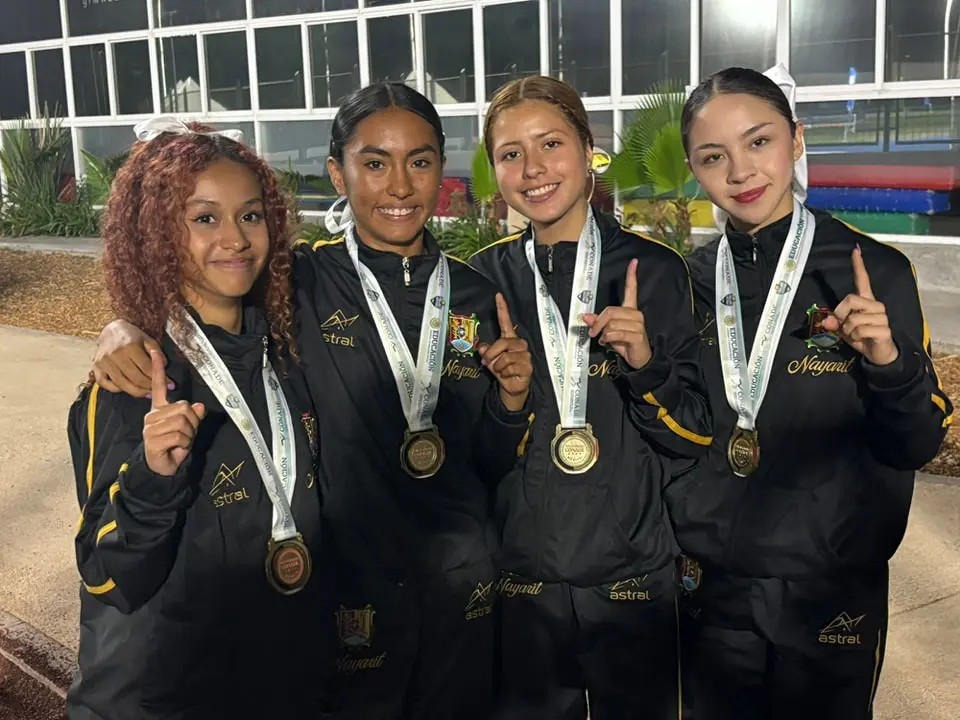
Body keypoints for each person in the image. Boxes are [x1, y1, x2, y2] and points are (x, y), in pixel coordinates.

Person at [91, 84, 534, 720]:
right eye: (375, 163)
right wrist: (125, 326)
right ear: (337, 172)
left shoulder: (476, 296)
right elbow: (202, 296)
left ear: (443, 167)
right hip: (346, 608)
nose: (400, 185)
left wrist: (509, 405)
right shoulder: (298, 281)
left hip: (460, 596)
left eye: (420, 161)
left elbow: (489, 463)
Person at [669, 65, 954, 720]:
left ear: (796, 140)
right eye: (714, 156)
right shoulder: (684, 283)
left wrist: (887, 363)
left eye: (759, 141)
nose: (740, 171)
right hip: (712, 589)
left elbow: (917, 442)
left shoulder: (874, 271)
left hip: (831, 593)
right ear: (694, 170)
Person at [67, 118, 329, 719]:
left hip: (273, 686)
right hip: (164, 700)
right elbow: (107, 577)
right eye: (205, 218)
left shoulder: (283, 358)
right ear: (158, 234)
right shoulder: (135, 382)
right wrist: (153, 479)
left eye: (251, 215)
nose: (235, 238)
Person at [469, 75, 713, 719]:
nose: (533, 168)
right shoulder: (478, 283)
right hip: (522, 583)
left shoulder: (654, 272)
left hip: (633, 582)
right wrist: (508, 403)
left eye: (550, 143)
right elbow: (469, 458)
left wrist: (646, 367)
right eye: (511, 153)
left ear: (587, 148)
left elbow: (696, 436)